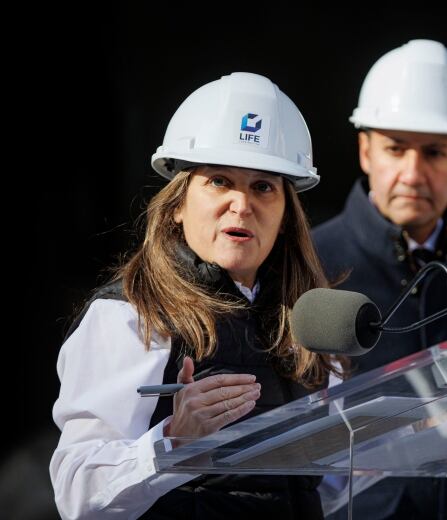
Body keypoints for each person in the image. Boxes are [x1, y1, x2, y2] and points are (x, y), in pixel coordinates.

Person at [50, 72, 337, 519]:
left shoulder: (307, 318)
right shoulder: (129, 315)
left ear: (286, 214)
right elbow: (77, 493)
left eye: (263, 186)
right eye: (219, 181)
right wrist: (174, 440)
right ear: (178, 204)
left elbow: (329, 479)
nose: (242, 205)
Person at [313, 40, 447, 519]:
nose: (412, 172)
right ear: (365, 151)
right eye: (395, 148)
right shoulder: (310, 262)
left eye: (435, 152)